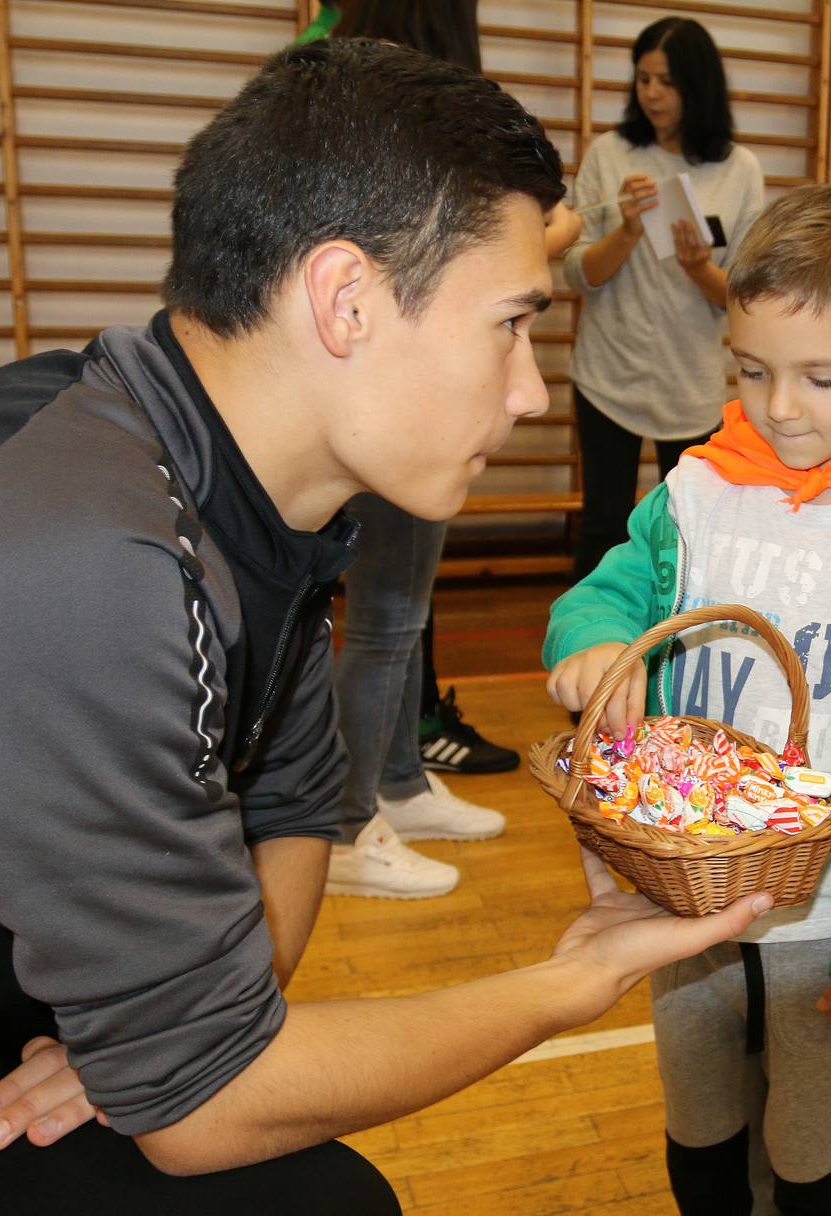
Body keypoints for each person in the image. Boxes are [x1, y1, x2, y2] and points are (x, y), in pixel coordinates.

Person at [0, 41, 771, 1216]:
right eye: (512, 324)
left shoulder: (228, 483)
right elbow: (205, 1111)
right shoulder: (78, 552)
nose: (527, 390)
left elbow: (292, 805)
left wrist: (172, 1034)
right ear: (346, 299)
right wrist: (569, 980)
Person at [543, 183, 831, 1216]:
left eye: (820, 377)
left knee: (817, 1160)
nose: (781, 406)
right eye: (750, 370)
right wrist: (595, 641)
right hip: (682, 906)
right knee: (702, 1133)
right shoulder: (691, 493)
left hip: (826, 927)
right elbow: (606, 591)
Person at [294, 0, 560, 900]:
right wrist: (540, 240)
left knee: (398, 617)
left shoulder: (330, 67)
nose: (529, 393)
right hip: (388, 403)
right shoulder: (392, 103)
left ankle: (398, 783)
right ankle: (344, 824)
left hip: (372, 399)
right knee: (383, 622)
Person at [565, 17, 766, 579]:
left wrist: (698, 267)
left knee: (685, 530)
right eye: (643, 79)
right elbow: (578, 273)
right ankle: (587, 631)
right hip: (608, 371)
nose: (652, 93)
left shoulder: (739, 168)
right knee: (603, 523)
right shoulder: (610, 153)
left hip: (689, 382)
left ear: (698, 87)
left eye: (668, 82)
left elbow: (744, 299)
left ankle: (672, 634)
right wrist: (627, 232)